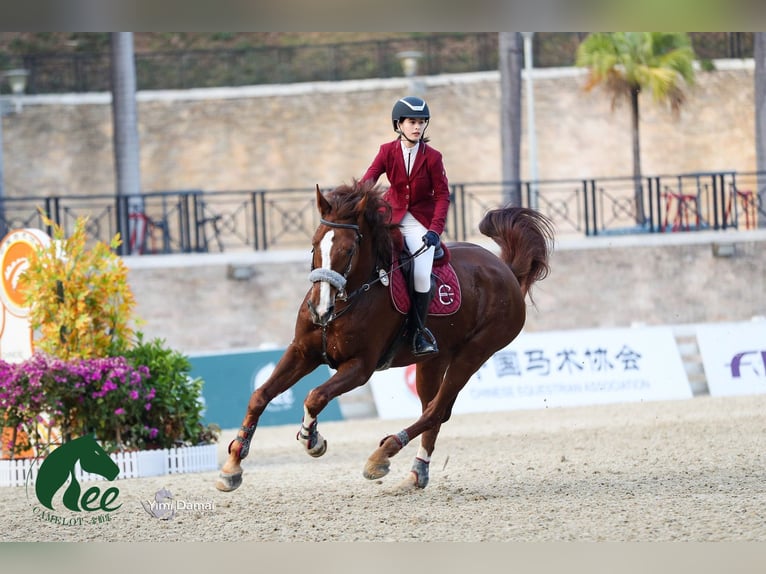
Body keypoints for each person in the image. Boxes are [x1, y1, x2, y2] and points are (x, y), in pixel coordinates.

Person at [361, 95, 451, 356]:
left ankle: (418, 333)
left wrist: (435, 230)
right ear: (398, 124)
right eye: (412, 122)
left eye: (422, 122)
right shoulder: (386, 151)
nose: (417, 127)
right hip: (391, 216)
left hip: (420, 222)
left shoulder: (433, 157)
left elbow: (443, 195)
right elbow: (369, 179)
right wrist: (349, 197)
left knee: (421, 274)